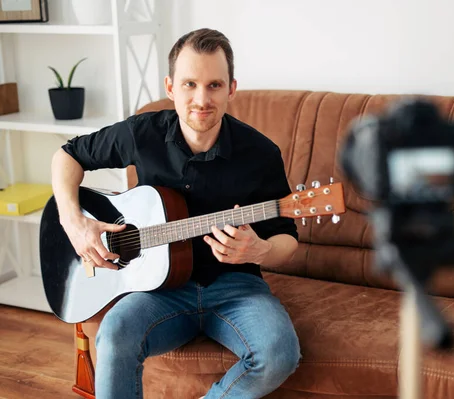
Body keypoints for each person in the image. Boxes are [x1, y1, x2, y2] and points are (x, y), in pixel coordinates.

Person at [51, 28, 301, 399]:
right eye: (189, 84)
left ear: (232, 88)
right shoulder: (142, 133)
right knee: (115, 333)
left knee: (280, 353)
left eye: (214, 85)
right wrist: (74, 222)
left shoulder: (260, 153)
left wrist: (260, 251)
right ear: (170, 87)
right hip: (157, 288)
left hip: (237, 288)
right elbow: (67, 156)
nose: (202, 99)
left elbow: (287, 237)